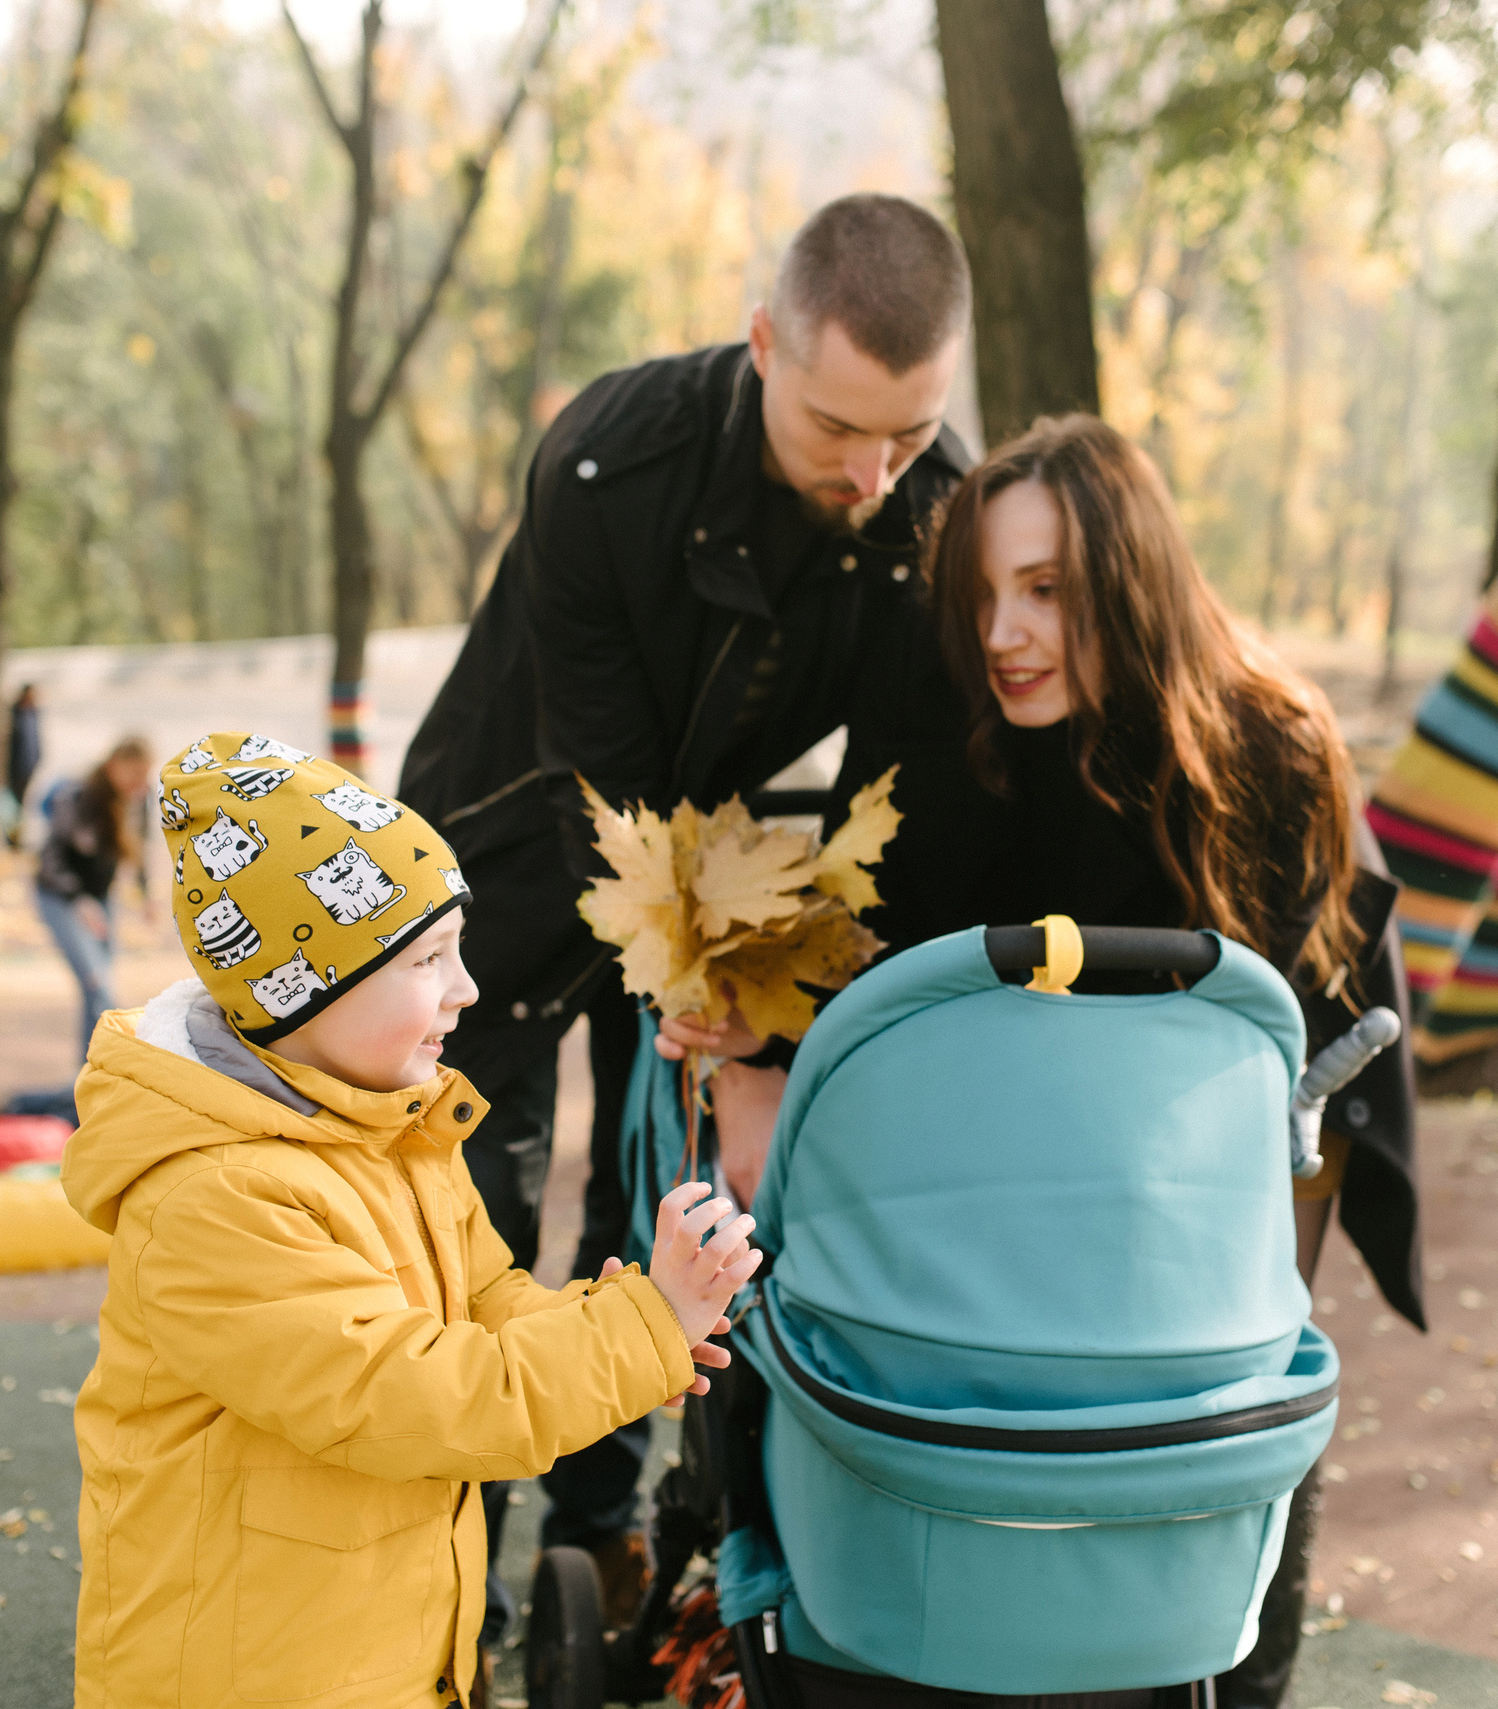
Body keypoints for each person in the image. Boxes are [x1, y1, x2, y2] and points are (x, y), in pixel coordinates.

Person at [659, 417, 1423, 1709]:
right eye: (985, 596)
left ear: (1128, 584)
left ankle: (1227, 1643)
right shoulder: (943, 728)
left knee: (1247, 1372)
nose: (1005, 632)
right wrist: (760, 1037)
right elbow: (870, 953)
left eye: (1047, 591)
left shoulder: (1267, 753)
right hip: (979, 1182)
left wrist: (1250, 1325)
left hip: (1193, 1173)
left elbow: (1290, 1056)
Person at [398, 192, 973, 1630]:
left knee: (647, 1206)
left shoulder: (935, 502)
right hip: (518, 841)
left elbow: (890, 788)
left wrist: (779, 977)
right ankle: (443, 1564)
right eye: (841, 429)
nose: (875, 473)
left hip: (718, 863)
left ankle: (592, 1543)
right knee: (479, 1206)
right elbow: (610, 775)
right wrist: (680, 953)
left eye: (908, 433)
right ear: (765, 344)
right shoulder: (606, 461)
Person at [60, 734, 760, 1709]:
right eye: (429, 957)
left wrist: (626, 1324)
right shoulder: (218, 1198)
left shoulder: (387, 1124)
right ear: (305, 987)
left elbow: (485, 1302)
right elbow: (415, 1395)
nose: (467, 987)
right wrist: (636, 1334)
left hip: (368, 1649)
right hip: (247, 1674)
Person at [35, 735, 155, 1062]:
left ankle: (89, 1069)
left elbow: (139, 848)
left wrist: (146, 896)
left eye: (144, 777)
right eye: (133, 775)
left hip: (100, 899)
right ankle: (102, 1067)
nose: (138, 785)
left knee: (97, 988)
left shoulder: (137, 800)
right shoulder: (79, 798)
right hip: (62, 897)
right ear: (113, 766)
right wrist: (78, 900)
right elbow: (50, 858)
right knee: (97, 983)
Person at [5, 684, 44, 850]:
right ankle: (12, 840)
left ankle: (16, 839)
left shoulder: (33, 713)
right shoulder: (15, 714)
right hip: (15, 769)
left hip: (28, 768)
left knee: (21, 807)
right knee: (13, 807)